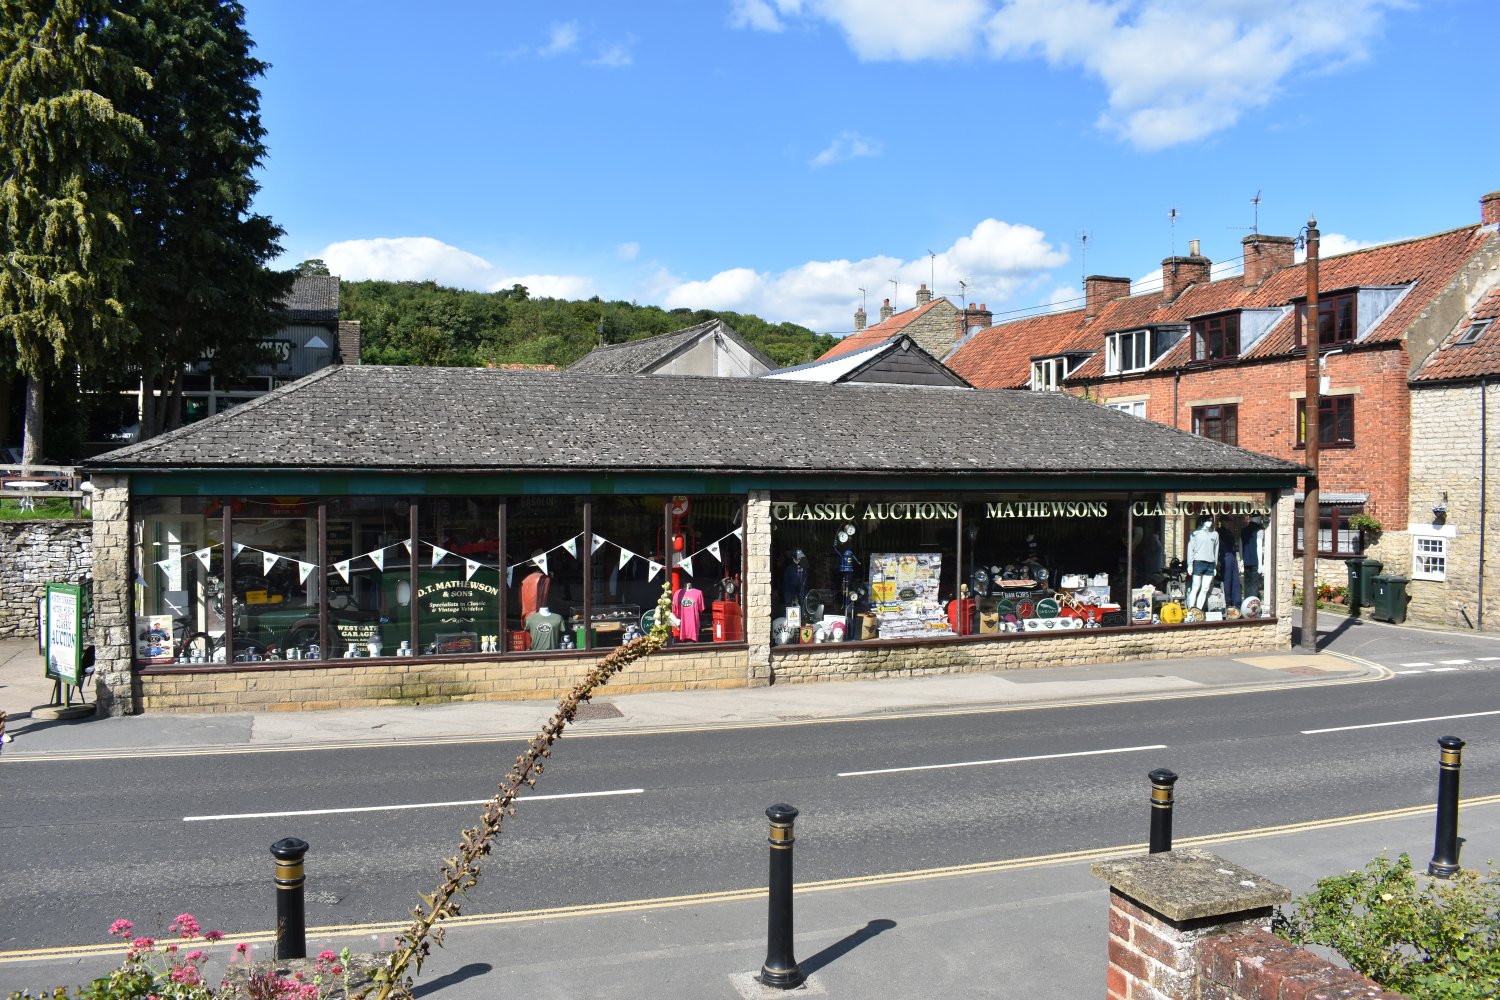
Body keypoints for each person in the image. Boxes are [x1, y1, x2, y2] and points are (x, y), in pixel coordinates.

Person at [1186, 518, 1219, 611]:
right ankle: (1191, 610)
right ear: (1202, 521)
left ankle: (1198, 610)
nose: (1209, 522)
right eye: (1207, 520)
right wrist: (1190, 564)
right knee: (1195, 587)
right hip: (1198, 562)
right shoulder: (1195, 533)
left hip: (1210, 564)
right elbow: (1190, 549)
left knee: (1205, 588)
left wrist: (1215, 566)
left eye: (1211, 520)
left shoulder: (1215, 534)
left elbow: (1216, 550)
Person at [1216, 519, 1241, 610]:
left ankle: (1236, 602)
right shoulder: (1218, 532)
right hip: (1224, 556)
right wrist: (1217, 560)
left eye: (1228, 521)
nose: (1227, 523)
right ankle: (1227, 602)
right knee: (1227, 580)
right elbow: (1216, 547)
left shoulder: (1229, 532)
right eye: (1225, 521)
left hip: (1232, 555)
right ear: (1222, 522)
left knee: (1235, 579)